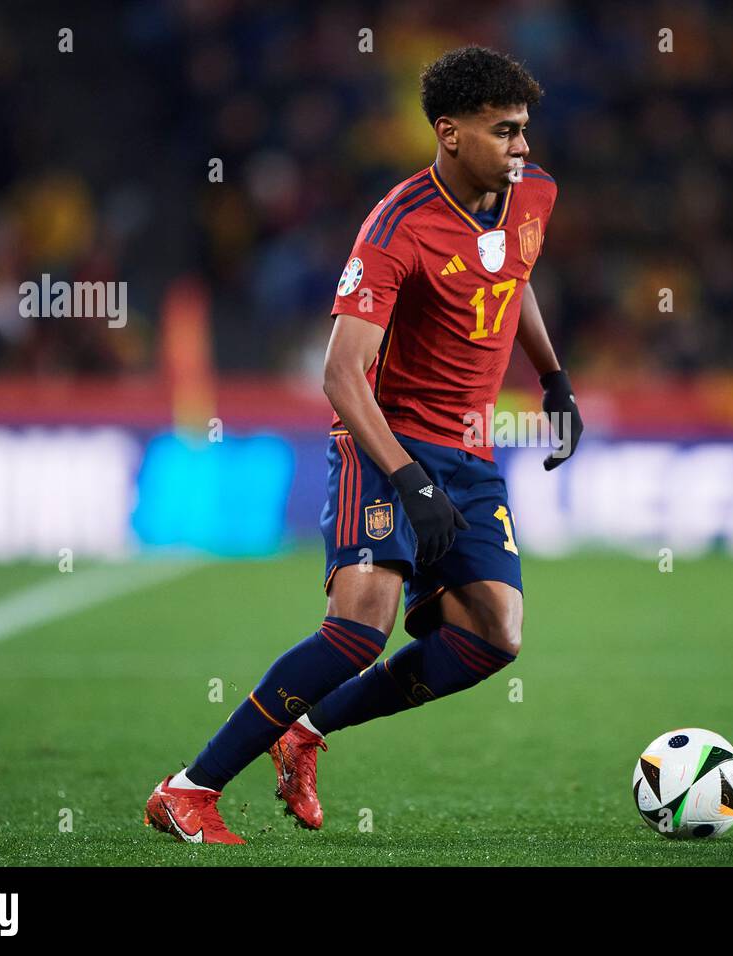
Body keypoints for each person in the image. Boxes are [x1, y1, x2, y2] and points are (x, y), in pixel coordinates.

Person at [145, 45, 583, 843]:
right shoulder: (396, 228)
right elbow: (342, 375)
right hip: (384, 440)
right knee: (359, 627)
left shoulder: (533, 196)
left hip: (470, 449)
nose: (523, 149)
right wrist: (410, 480)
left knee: (495, 634)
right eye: (505, 132)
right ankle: (188, 789)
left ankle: (304, 732)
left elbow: (514, 279)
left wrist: (554, 379)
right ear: (449, 134)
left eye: (525, 131)